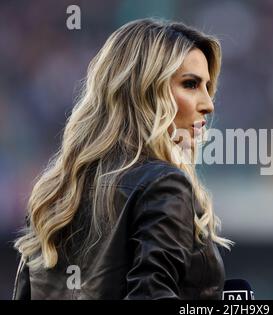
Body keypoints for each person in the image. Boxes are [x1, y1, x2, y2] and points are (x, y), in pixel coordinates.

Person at [12, 18, 234, 300]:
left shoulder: (56, 192)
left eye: (207, 86)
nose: (208, 104)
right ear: (145, 91)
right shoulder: (164, 184)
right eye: (190, 84)